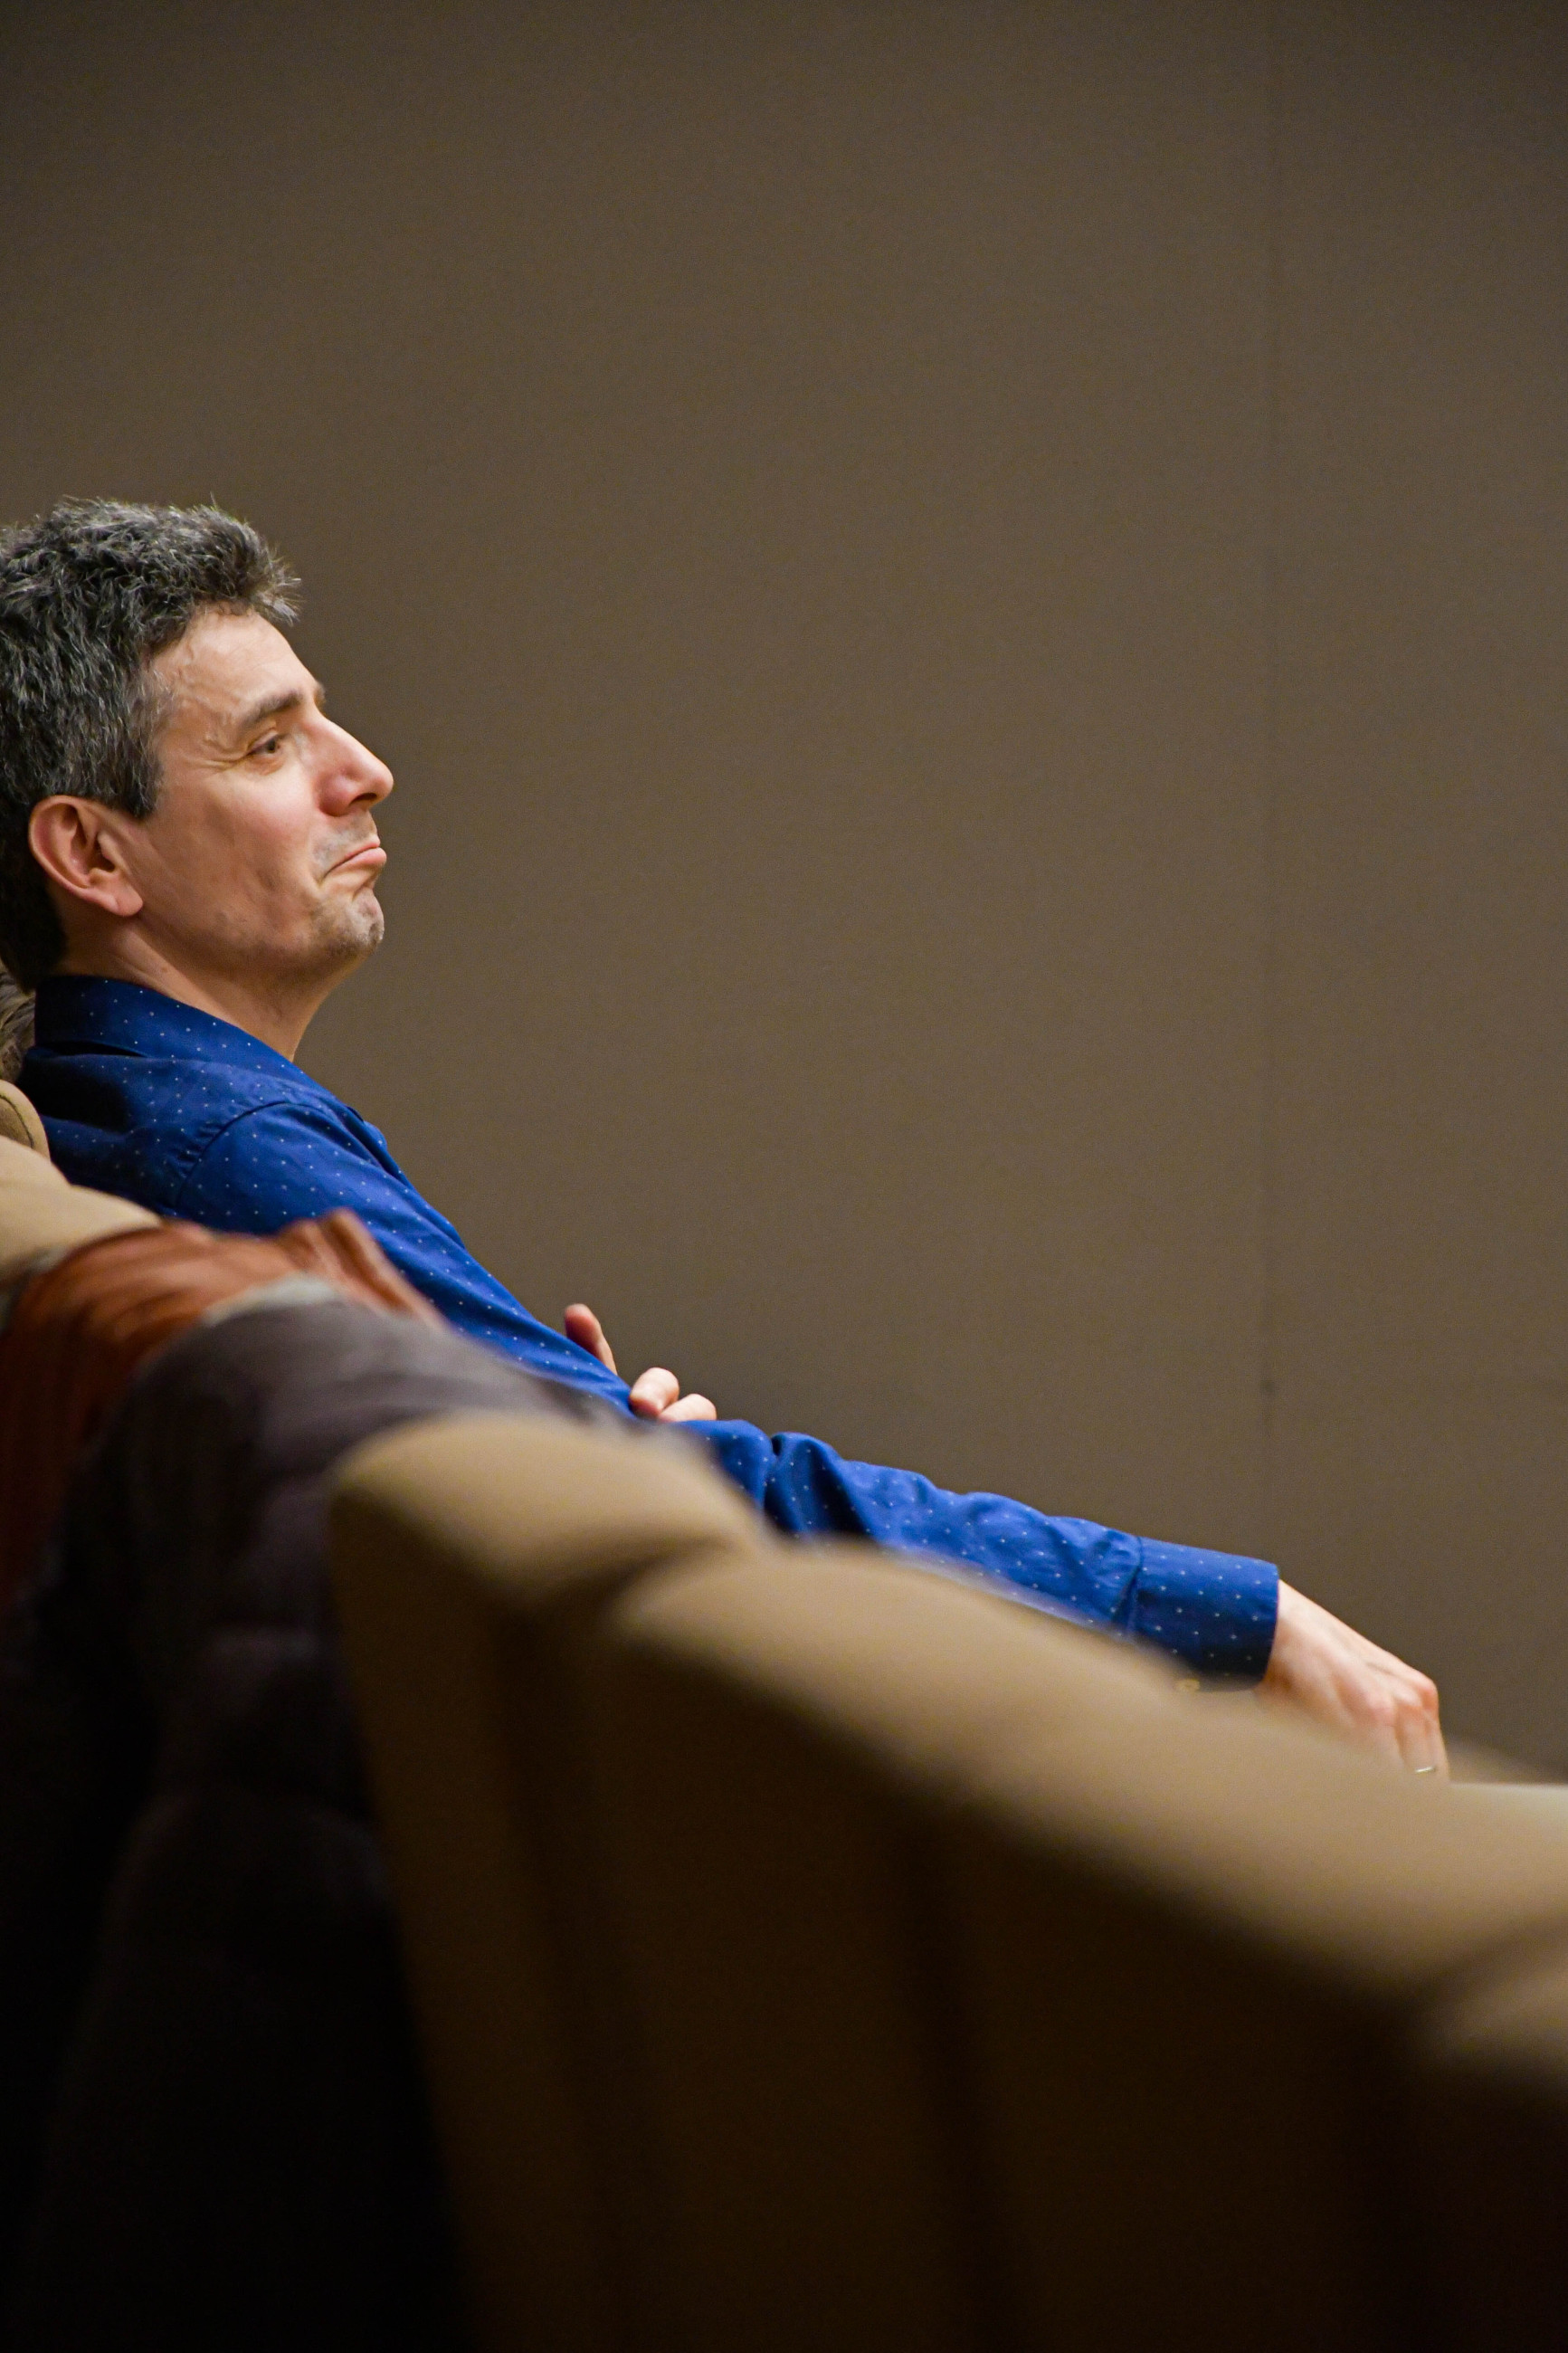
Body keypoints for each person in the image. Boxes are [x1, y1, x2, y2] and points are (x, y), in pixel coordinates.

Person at [0, 498, 1446, 1769]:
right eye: (270, 743)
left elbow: (574, 1498)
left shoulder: (139, 1111)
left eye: (327, 717)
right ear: (91, 853)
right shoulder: (211, 1149)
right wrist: (1237, 1616)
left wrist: (598, 1449)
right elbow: (723, 1503)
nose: (364, 766)